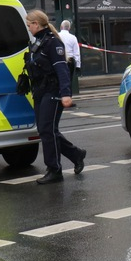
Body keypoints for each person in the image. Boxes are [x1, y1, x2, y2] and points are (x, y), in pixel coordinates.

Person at [25, 10, 87, 184]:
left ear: (37, 24)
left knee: (47, 130)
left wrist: (66, 94)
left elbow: (62, 70)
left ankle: (54, 170)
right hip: (40, 92)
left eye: (29, 24)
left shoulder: (53, 43)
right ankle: (76, 154)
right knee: (47, 130)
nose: (28, 28)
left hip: (53, 92)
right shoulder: (38, 43)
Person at [59, 20, 81, 96]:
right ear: (69, 28)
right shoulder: (73, 37)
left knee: (60, 79)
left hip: (60, 60)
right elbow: (76, 53)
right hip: (70, 61)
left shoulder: (57, 36)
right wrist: (78, 66)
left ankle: (60, 97)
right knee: (69, 80)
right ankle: (68, 98)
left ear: (61, 27)